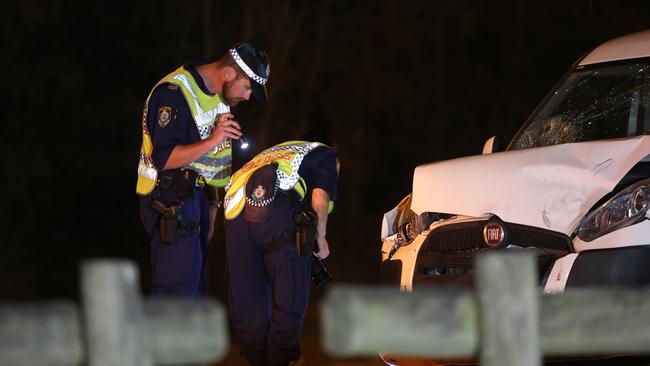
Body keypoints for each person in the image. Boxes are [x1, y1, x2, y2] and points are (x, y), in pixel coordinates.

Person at [136, 43, 271, 297]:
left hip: (197, 203)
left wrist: (213, 207)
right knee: (176, 298)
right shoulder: (174, 93)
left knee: (195, 293)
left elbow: (215, 164)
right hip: (168, 202)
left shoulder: (219, 100)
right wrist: (212, 140)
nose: (247, 96)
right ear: (230, 73)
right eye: (247, 88)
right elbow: (163, 158)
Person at [223, 139, 339, 366]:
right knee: (291, 292)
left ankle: (256, 358)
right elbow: (320, 198)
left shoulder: (276, 152)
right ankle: (280, 359)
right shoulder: (326, 154)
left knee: (248, 298)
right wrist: (321, 239)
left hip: (235, 218)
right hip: (275, 212)